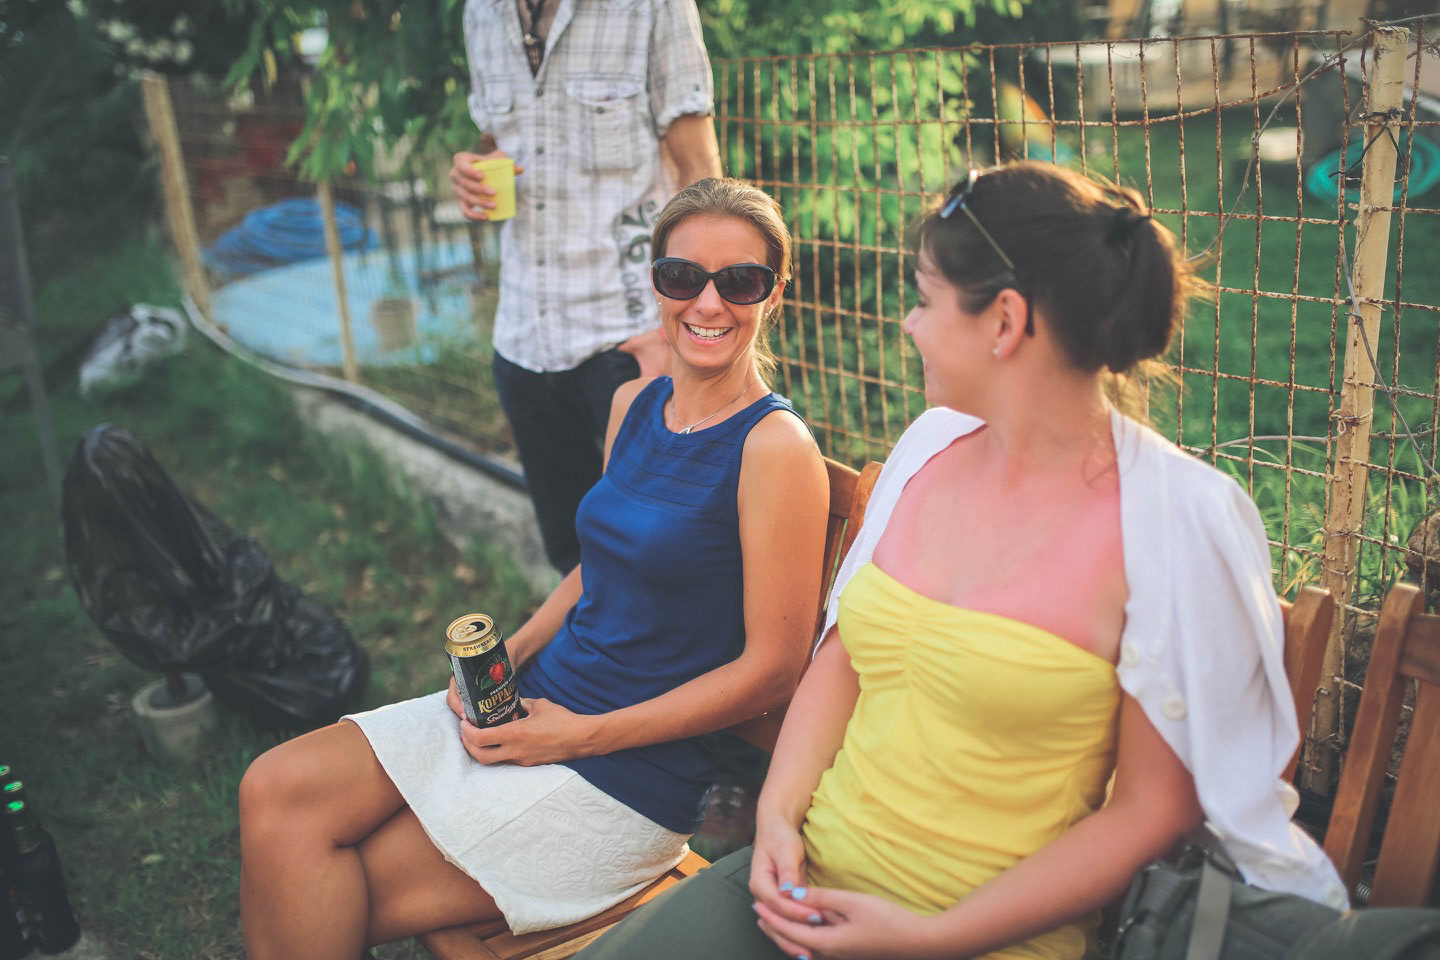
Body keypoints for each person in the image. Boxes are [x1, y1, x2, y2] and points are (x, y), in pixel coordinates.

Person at [574, 161, 1349, 960]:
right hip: (801, 887)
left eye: (925, 298)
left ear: (1003, 321)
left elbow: (1152, 812)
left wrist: (933, 935)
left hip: (980, 937)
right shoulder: (929, 446)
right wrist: (776, 819)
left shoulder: (1174, 519)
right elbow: (841, 661)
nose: (910, 325)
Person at [237, 178, 828, 960]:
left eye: (740, 281)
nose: (708, 302)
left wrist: (578, 737)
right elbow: (597, 569)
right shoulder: (635, 405)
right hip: (531, 706)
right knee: (271, 789)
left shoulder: (776, 449)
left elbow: (773, 672)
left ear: (774, 292)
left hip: (626, 779)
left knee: (324, 881)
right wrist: (509, 654)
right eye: (682, 276)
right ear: (656, 284)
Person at [448, 0, 723, 575]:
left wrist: (683, 329)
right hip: (523, 343)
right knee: (573, 560)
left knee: (664, 557)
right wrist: (474, 168)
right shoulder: (480, 11)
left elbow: (701, 176)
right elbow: (501, 139)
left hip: (630, 344)